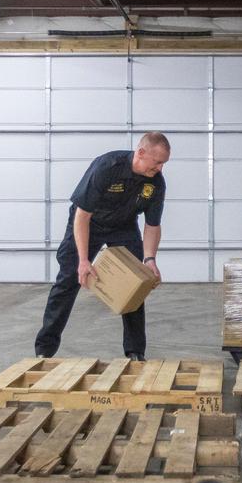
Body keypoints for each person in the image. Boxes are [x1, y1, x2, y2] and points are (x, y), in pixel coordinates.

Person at [34, 132, 170, 359]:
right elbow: (82, 216)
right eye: (157, 162)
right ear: (141, 153)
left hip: (123, 226)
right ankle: (44, 350)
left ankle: (135, 352)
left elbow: (152, 226)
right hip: (89, 223)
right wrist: (84, 260)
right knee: (68, 280)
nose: (160, 169)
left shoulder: (156, 183)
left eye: (164, 164)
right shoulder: (107, 167)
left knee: (135, 282)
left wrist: (149, 260)